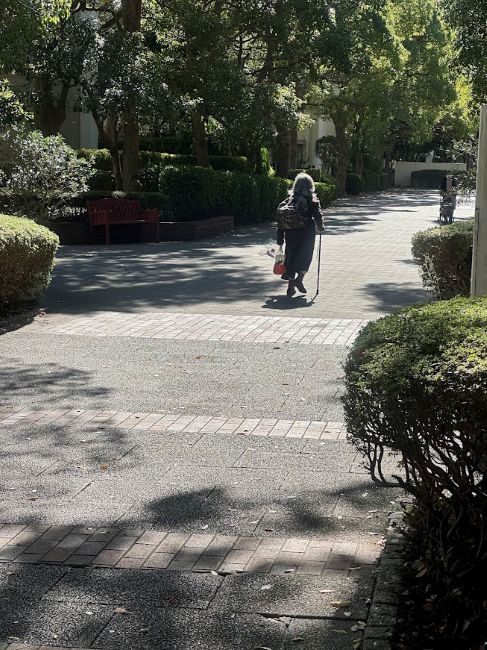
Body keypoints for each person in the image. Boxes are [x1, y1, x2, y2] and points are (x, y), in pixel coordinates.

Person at [277, 172, 324, 297]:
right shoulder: (312, 199)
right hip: (306, 232)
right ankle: (300, 279)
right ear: (310, 185)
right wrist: (321, 227)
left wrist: (280, 239)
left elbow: (281, 219)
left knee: (291, 258)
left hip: (291, 233)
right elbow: (318, 215)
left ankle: (290, 288)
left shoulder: (289, 200)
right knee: (305, 257)